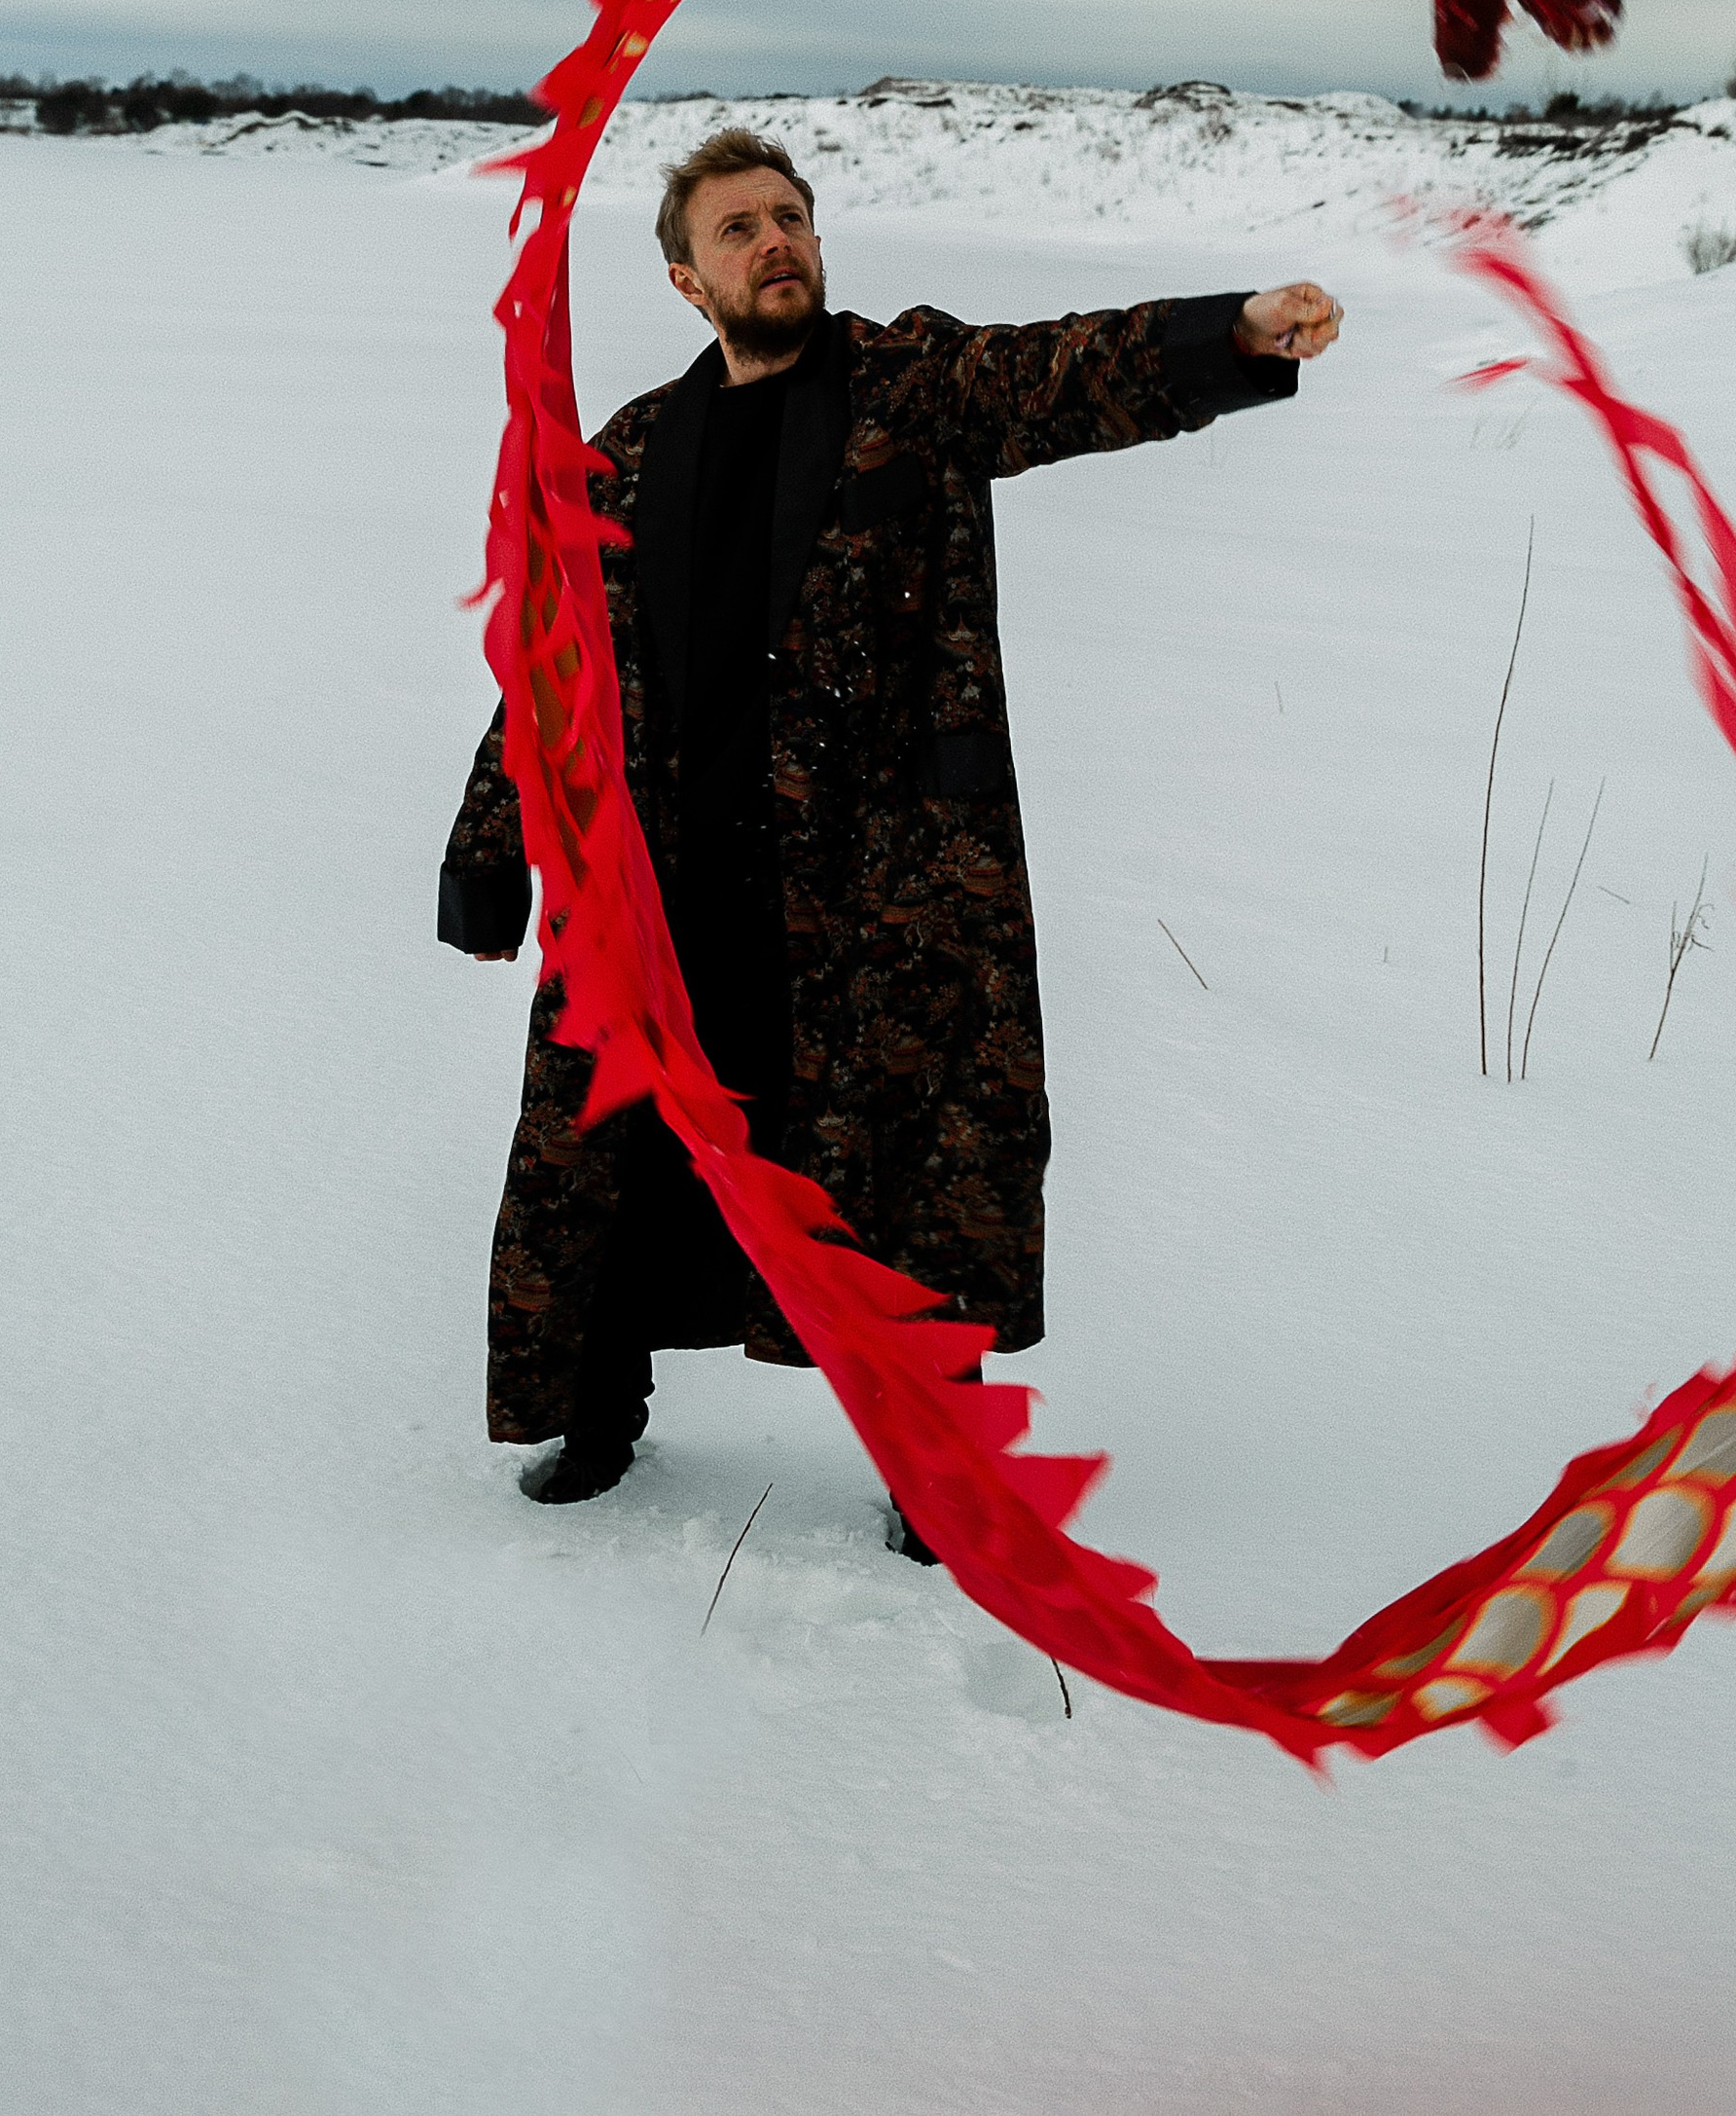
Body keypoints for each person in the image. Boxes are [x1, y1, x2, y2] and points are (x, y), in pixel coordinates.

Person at [438, 126, 1342, 1537]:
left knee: (912, 1171)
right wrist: (491, 853)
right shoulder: (626, 453)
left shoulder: (907, 390)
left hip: (881, 890)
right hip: (669, 893)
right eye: (736, 227)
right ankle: (600, 1412)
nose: (774, 240)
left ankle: (941, 1471)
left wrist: (1227, 337)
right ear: (686, 276)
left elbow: (1062, 371)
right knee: (618, 1148)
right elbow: (551, 667)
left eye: (789, 215)